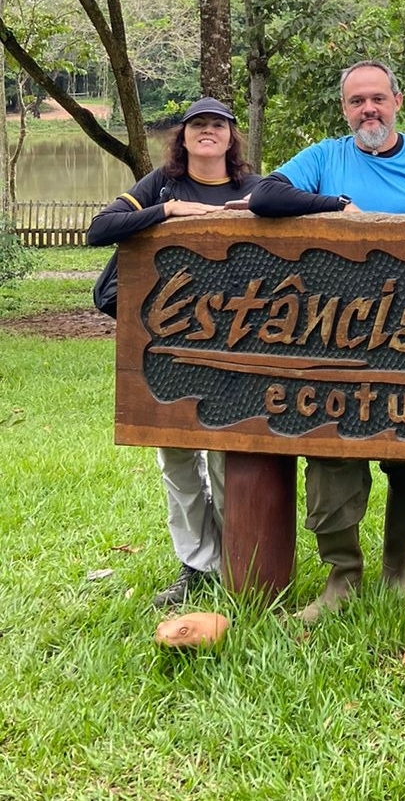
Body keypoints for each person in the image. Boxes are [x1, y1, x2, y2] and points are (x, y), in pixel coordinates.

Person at [248, 59, 405, 623]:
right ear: (345, 110)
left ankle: (397, 571)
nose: (368, 109)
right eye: (356, 101)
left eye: (377, 98)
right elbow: (266, 198)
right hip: (334, 338)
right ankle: (343, 575)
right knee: (330, 450)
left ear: (397, 101)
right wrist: (336, 206)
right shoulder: (323, 158)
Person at [87, 96, 262, 607]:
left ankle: (235, 558)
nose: (208, 132)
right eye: (198, 125)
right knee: (178, 459)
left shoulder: (252, 189)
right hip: (165, 347)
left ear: (231, 138)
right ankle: (196, 563)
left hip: (233, 348)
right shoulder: (159, 187)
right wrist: (169, 211)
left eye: (218, 125)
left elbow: (300, 213)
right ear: (182, 137)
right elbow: (99, 229)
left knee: (229, 458)